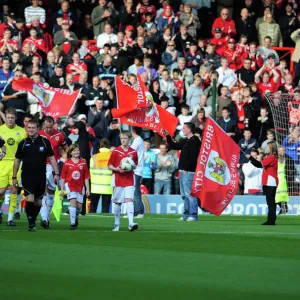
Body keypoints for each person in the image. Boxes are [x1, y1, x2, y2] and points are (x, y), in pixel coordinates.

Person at [13, 119, 60, 232]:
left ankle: (33, 218)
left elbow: (52, 158)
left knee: (38, 201)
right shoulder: (23, 143)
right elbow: (17, 160)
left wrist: (56, 173)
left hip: (40, 176)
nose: (30, 130)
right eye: (29, 128)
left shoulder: (44, 142)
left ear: (38, 129)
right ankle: (31, 223)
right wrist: (14, 176)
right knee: (29, 198)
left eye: (33, 128)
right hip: (27, 176)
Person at [165, 122, 201, 221]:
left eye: (184, 128)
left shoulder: (195, 141)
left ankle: (193, 215)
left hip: (188, 171)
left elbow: (193, 158)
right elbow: (174, 146)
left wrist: (186, 168)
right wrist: (167, 136)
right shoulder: (185, 140)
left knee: (189, 194)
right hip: (183, 171)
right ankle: (186, 214)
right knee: (184, 195)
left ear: (189, 129)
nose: (182, 129)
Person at [39, 116, 67, 229]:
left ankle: (46, 218)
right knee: (42, 192)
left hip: (52, 166)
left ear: (53, 125)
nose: (49, 129)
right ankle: (44, 219)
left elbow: (66, 148)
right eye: (47, 127)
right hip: (39, 165)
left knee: (50, 192)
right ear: (43, 125)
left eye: (50, 127)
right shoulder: (38, 134)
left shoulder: (59, 135)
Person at [108, 131, 139, 232]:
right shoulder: (116, 151)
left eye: (125, 138)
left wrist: (131, 166)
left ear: (130, 139)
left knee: (129, 200)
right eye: (122, 138)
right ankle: (116, 223)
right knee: (117, 202)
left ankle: (131, 223)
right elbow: (109, 165)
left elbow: (135, 164)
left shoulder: (133, 152)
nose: (123, 140)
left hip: (129, 179)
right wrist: (117, 169)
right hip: (118, 179)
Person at [0, 108, 27, 226]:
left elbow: (24, 149)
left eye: (12, 117)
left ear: (15, 118)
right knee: (0, 192)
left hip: (16, 163)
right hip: (2, 163)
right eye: (8, 117)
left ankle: (10, 219)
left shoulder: (21, 131)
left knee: (13, 189)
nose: (10, 120)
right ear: (4, 118)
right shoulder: (0, 130)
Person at [247, 141, 278, 225]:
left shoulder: (271, 157)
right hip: (269, 182)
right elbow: (259, 165)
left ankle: (271, 221)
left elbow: (259, 164)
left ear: (271, 148)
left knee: (270, 202)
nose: (266, 148)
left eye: (268, 147)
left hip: (270, 182)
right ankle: (271, 220)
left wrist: (250, 158)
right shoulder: (271, 157)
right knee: (271, 202)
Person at [60, 144, 90, 229]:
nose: (76, 152)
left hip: (80, 187)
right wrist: (62, 189)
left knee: (79, 207)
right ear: (71, 152)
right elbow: (63, 177)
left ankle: (75, 217)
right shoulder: (67, 163)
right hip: (70, 185)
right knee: (73, 202)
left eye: (77, 150)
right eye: (74, 151)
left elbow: (86, 177)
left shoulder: (83, 163)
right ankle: (72, 223)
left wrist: (87, 189)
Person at [89, 138, 112, 213]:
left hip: (95, 186)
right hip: (108, 187)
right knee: (105, 208)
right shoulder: (112, 156)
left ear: (99, 146)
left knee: (93, 207)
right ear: (108, 146)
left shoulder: (94, 157)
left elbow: (91, 172)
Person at [130, 127, 144, 218]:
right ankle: (135, 212)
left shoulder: (137, 140)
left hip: (136, 170)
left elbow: (130, 151)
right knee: (133, 191)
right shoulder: (138, 140)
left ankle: (139, 212)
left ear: (134, 131)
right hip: (136, 169)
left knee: (135, 191)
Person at [275, 146, 289, 215]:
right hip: (276, 178)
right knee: (275, 195)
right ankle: (283, 207)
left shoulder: (289, 159)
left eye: (282, 150)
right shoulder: (275, 159)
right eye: (279, 151)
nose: (281, 152)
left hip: (284, 179)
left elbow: (292, 170)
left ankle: (284, 207)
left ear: (285, 151)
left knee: (283, 194)